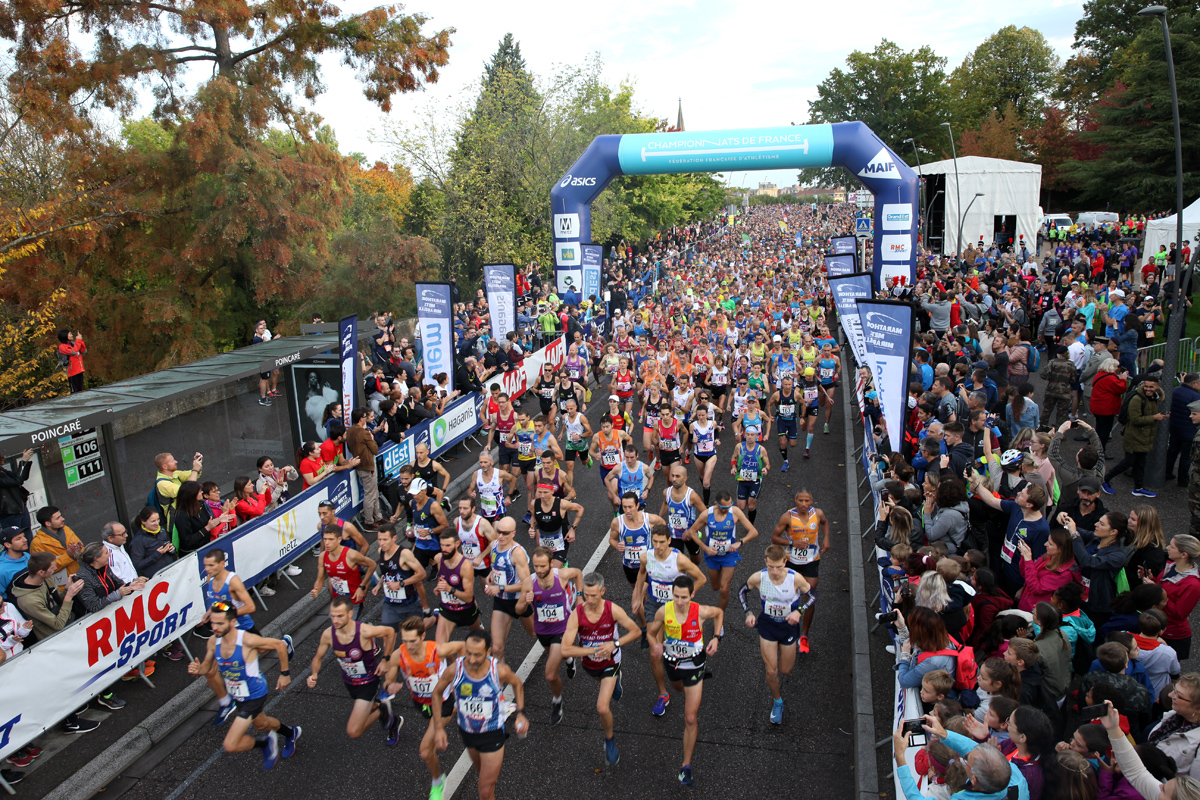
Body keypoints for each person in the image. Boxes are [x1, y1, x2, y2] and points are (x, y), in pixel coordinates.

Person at [187, 602, 300, 770]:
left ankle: (265, 744)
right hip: (237, 694)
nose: (215, 627)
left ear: (232, 622)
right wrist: (198, 669)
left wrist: (284, 674)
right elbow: (206, 667)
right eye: (213, 623)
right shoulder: (213, 641)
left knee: (230, 744)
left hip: (254, 694)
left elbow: (279, 645)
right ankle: (291, 733)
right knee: (261, 724)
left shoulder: (247, 640)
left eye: (220, 623)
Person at [429, 629, 529, 800]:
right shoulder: (456, 669)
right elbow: (437, 694)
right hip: (467, 732)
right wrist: (438, 728)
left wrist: (520, 713)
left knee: (483, 789)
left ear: (488, 652)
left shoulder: (499, 671)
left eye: (477, 654)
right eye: (468, 653)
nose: (472, 659)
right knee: (481, 774)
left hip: (492, 734)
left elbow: (517, 685)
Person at [646, 575, 723, 787]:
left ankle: (685, 766)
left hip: (695, 665)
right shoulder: (664, 611)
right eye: (677, 596)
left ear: (692, 595)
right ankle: (674, 691)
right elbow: (651, 633)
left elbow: (719, 613)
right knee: (677, 688)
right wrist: (656, 644)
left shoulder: (700, 611)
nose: (680, 602)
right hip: (672, 665)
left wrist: (716, 637)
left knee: (690, 718)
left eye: (684, 597)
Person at [560, 572, 643, 767]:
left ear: (603, 592)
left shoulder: (613, 610)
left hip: (610, 663)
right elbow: (565, 649)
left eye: (594, 595)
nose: (589, 600)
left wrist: (614, 644)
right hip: (590, 665)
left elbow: (636, 631)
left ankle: (610, 739)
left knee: (602, 707)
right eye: (586, 595)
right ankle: (615, 683)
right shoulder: (577, 614)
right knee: (604, 684)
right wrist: (594, 649)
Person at [383, 617, 466, 800]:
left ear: (423, 636)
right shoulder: (399, 655)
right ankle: (457, 711)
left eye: (413, 640)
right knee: (438, 724)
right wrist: (390, 685)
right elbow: (389, 678)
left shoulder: (437, 650)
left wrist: (459, 676)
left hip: (442, 702)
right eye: (405, 640)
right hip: (421, 703)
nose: (409, 645)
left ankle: (438, 782)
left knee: (426, 751)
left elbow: (462, 646)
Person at [632, 525, 708, 717]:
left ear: (668, 541)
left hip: (675, 609)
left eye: (661, 542)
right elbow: (641, 572)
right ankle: (662, 694)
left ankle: (690, 672)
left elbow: (701, 578)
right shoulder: (646, 556)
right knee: (655, 653)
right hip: (655, 606)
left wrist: (685, 598)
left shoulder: (679, 560)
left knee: (679, 648)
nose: (657, 546)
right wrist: (637, 594)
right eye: (654, 542)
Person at [306, 596, 402, 742]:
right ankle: (383, 712)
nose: (335, 620)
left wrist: (385, 660)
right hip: (349, 682)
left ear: (350, 614)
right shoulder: (328, 635)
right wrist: (314, 674)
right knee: (369, 708)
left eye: (340, 616)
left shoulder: (363, 632)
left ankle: (383, 709)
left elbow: (389, 632)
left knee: (354, 731)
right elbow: (317, 658)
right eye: (332, 616)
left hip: (368, 683)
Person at [738, 544, 812, 724]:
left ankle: (785, 651)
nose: (775, 571)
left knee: (785, 670)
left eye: (779, 567)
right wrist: (748, 612)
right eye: (771, 567)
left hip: (788, 628)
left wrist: (799, 611)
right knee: (771, 671)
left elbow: (813, 595)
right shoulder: (759, 577)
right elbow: (742, 591)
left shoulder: (795, 578)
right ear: (765, 562)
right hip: (767, 627)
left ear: (785, 562)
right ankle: (778, 702)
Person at [523, 547, 583, 725]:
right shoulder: (529, 582)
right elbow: (519, 609)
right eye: (535, 566)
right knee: (555, 654)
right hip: (543, 630)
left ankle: (557, 701)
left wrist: (579, 597)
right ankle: (570, 659)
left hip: (562, 628)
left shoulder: (561, 575)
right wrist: (525, 602)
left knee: (550, 674)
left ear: (551, 563)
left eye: (542, 566)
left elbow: (578, 573)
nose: (539, 570)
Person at [684, 490, 758, 636]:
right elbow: (692, 531)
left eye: (730, 505)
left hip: (729, 556)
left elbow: (753, 531)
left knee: (724, 589)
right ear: (716, 504)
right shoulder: (707, 514)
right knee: (715, 587)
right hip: (712, 556)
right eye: (724, 507)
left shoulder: (735, 512)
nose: (727, 509)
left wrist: (740, 543)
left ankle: (720, 618)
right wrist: (705, 548)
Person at [768, 490, 828, 653]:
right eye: (800, 500)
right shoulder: (787, 517)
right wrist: (792, 542)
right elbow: (774, 538)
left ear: (811, 501)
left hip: (811, 561)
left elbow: (824, 522)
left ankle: (804, 636)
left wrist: (826, 538)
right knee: (788, 597)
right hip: (792, 562)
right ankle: (786, 629)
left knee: (810, 597)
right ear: (795, 500)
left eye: (807, 501)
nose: (803, 504)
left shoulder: (818, 513)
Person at [608, 491, 666, 632]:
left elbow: (663, 526)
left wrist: (657, 545)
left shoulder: (649, 519)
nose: (627, 510)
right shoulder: (617, 522)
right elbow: (612, 539)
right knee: (638, 593)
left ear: (637, 505)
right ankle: (647, 613)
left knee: (639, 597)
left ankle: (646, 627)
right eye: (625, 507)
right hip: (629, 566)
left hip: (648, 566)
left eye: (630, 507)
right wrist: (617, 545)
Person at [1102, 372, 1166, 498]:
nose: (1148, 389)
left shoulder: (1153, 398)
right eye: (1146, 386)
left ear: (1157, 387)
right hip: (1134, 437)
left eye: (1151, 387)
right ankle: (1105, 480)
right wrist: (1155, 417)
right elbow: (1135, 419)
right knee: (1128, 462)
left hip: (1144, 437)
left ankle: (1138, 488)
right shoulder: (1137, 399)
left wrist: (1159, 416)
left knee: (1140, 463)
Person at [484, 516, 533, 664]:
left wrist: (500, 587)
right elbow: (497, 567)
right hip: (501, 601)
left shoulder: (517, 552)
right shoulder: (494, 545)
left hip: (519, 600)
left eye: (505, 533)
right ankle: (500, 683)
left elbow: (527, 583)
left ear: (513, 533)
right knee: (497, 648)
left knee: (534, 632)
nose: (500, 536)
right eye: (499, 531)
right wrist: (491, 575)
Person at [373, 523, 430, 632]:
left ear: (394, 538)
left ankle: (433, 618)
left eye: (385, 540)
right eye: (379, 540)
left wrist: (400, 584)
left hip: (409, 604)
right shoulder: (381, 551)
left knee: (414, 636)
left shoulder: (404, 554)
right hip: (390, 604)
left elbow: (422, 574)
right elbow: (386, 572)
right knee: (387, 635)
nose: (381, 543)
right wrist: (379, 585)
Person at [310, 523, 377, 615]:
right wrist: (316, 589)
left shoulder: (351, 555)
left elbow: (372, 564)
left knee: (348, 628)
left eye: (331, 539)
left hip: (353, 600)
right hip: (338, 601)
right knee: (339, 627)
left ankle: (369, 581)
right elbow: (320, 578)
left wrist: (362, 586)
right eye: (325, 539)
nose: (327, 543)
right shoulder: (322, 556)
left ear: (339, 540)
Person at [433, 528, 482, 644]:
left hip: (465, 609)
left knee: (477, 640)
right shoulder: (439, 559)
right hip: (447, 609)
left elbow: (469, 597)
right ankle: (454, 662)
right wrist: (438, 588)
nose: (444, 549)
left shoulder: (465, 566)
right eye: (442, 545)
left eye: (448, 546)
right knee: (440, 647)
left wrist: (449, 589)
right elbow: (442, 579)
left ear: (457, 544)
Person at [529, 482, 584, 568]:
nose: (542, 495)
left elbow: (580, 509)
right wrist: (531, 528)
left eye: (545, 492)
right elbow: (534, 518)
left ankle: (562, 563)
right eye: (539, 492)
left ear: (552, 491)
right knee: (544, 569)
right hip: (543, 541)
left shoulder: (561, 504)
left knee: (553, 572)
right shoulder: (534, 503)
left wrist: (573, 529)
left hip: (560, 544)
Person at [346, 407, 383, 531]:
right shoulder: (364, 432)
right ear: (362, 418)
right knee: (370, 493)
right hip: (367, 465)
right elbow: (375, 449)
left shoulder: (350, 431)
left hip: (360, 465)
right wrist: (372, 439)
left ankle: (378, 516)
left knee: (373, 491)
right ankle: (369, 520)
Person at [30, 505, 83, 588]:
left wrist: (79, 552)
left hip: (78, 578)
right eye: (58, 518)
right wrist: (68, 556)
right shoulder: (38, 543)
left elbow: (80, 549)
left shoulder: (66, 529)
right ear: (47, 523)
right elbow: (43, 569)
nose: (62, 519)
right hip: (60, 587)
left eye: (61, 516)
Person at [0, 448, 34, 535]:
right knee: (16, 540)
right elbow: (17, 480)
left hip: (20, 508)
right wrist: (23, 461)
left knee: (27, 539)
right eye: (2, 455)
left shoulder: (2, 470)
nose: (4, 456)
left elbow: (21, 477)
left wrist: (25, 463)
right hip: (9, 513)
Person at [57, 328, 87, 393]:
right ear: (65, 336)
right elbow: (73, 352)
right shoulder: (62, 347)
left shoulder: (73, 344)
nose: (72, 335)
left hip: (79, 369)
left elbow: (83, 351)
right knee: (75, 392)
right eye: (70, 334)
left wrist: (81, 341)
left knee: (81, 390)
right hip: (72, 372)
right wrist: (78, 340)